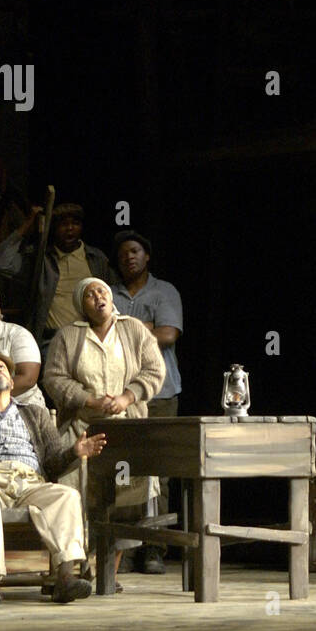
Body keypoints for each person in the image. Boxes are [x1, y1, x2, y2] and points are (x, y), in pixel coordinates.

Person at [0, 350, 107, 604]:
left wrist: (74, 452)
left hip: (29, 481)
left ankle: (66, 577)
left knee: (66, 495)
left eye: (2, 367)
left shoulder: (35, 414)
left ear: (13, 382)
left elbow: (54, 462)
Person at [41, 277, 165, 582]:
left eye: (103, 292)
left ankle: (108, 569)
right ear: (82, 306)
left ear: (111, 298)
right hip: (83, 428)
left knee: (126, 495)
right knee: (75, 491)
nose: (99, 298)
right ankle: (74, 568)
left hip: (126, 429)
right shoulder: (69, 335)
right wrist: (90, 400)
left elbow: (154, 370)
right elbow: (54, 378)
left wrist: (126, 397)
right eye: (90, 295)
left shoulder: (134, 328)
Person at [110, 230, 183, 575]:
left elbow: (167, 335)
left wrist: (127, 329)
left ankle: (154, 548)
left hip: (161, 393)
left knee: (160, 474)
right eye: (123, 253)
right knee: (124, 471)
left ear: (147, 256)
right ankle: (122, 548)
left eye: (135, 251)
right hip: (120, 395)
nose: (129, 257)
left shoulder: (164, 290)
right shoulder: (107, 293)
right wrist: (145, 327)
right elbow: (102, 334)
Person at [0, 202, 116, 348]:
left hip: (91, 338)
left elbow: (113, 294)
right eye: (63, 224)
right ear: (53, 228)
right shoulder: (41, 259)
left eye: (75, 223)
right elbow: (2, 262)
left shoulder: (95, 258)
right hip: (53, 341)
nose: (70, 228)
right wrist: (28, 223)